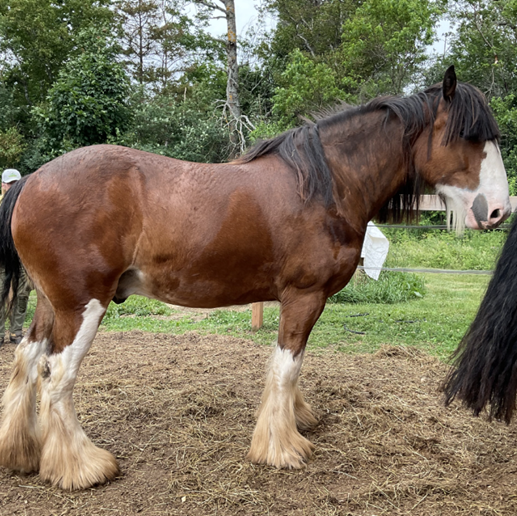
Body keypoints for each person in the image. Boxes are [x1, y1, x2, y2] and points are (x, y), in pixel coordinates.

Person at [0, 168, 32, 346]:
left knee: (22, 293)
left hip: (20, 256)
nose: (12, 187)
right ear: (3, 185)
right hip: (2, 257)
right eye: (9, 184)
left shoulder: (25, 206)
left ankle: (16, 332)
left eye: (15, 183)